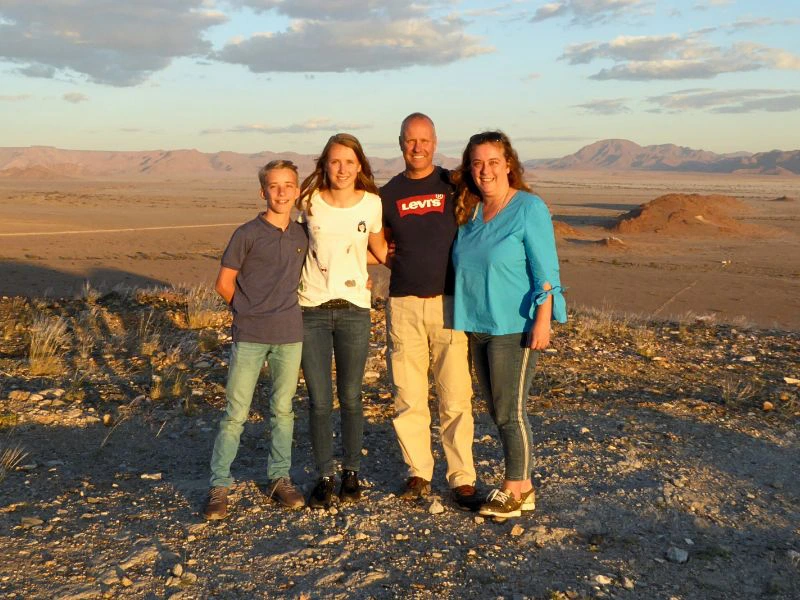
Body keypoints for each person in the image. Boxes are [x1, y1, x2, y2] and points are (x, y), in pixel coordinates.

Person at [451, 131, 567, 519]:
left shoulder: (528, 208)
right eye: (477, 163)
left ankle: (519, 487)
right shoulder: (471, 214)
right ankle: (519, 485)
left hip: (514, 326)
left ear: (509, 165)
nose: (485, 170)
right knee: (497, 408)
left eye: (493, 162)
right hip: (478, 326)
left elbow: (544, 269)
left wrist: (543, 320)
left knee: (511, 411)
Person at [380, 113, 479, 510]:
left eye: (424, 140)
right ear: (400, 142)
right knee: (409, 396)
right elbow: (378, 240)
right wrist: (394, 262)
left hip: (449, 304)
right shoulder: (388, 193)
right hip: (403, 305)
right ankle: (418, 473)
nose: (417, 147)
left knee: (455, 396)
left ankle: (462, 478)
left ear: (435, 142)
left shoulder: (453, 185)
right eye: (410, 140)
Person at [204, 160, 309, 520]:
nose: (282, 192)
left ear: (297, 190)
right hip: (250, 335)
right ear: (263, 192)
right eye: (274, 186)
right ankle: (220, 484)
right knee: (235, 413)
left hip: (290, 334)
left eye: (288, 185)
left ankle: (280, 478)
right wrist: (246, 313)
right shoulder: (246, 233)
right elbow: (223, 283)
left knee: (283, 410)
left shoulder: (302, 234)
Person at [296, 133, 388, 509]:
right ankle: (323, 476)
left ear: (360, 166)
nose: (342, 169)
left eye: (350, 162)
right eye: (335, 161)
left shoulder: (372, 204)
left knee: (351, 396)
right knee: (319, 400)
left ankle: (351, 471)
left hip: (353, 308)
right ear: (324, 164)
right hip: (310, 308)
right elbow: (294, 247)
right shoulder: (309, 202)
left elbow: (379, 250)